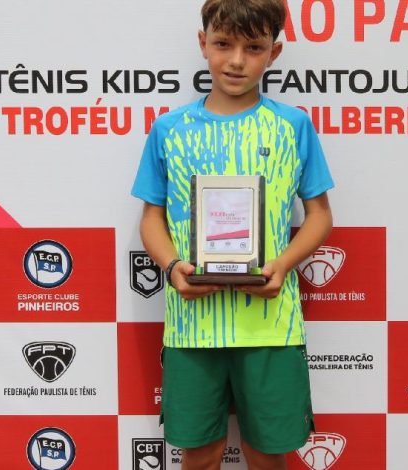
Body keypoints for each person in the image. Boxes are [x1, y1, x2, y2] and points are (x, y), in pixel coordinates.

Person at [131, 0, 334, 468]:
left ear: (274, 52)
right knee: (199, 455)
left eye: (254, 47)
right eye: (223, 44)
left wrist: (281, 265)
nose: (237, 60)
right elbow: (151, 218)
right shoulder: (169, 130)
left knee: (268, 456)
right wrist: (173, 267)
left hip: (272, 326)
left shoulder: (292, 126)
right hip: (192, 326)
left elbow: (320, 216)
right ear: (203, 43)